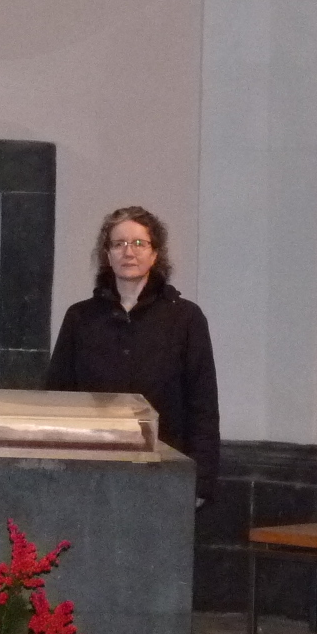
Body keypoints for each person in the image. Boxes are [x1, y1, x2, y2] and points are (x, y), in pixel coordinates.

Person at [45, 205, 220, 503]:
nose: (129, 252)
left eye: (139, 243)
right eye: (119, 243)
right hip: (91, 472)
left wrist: (200, 484)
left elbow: (202, 405)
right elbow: (57, 396)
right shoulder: (80, 318)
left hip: (164, 471)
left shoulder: (186, 319)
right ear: (107, 255)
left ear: (155, 254)